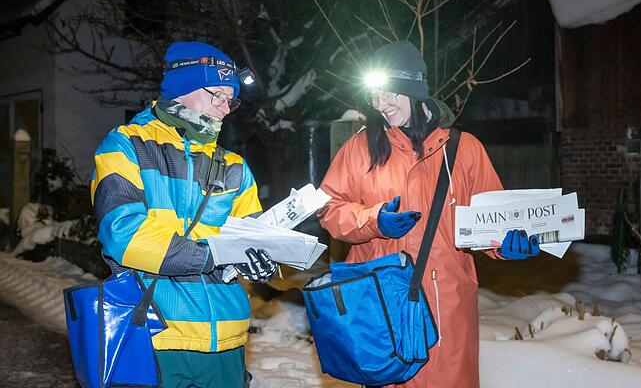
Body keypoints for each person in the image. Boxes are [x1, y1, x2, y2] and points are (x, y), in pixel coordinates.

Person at [317, 40, 540, 388]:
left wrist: (506, 244)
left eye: (389, 94)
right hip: (380, 303)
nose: (381, 105)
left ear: (414, 88)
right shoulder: (361, 147)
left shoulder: (464, 149)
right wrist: (374, 220)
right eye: (375, 96)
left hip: (446, 305)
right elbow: (330, 210)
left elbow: (492, 218)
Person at [91, 41, 276, 387]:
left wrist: (265, 260)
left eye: (230, 99)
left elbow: (252, 236)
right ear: (182, 89)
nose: (224, 108)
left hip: (228, 338)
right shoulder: (127, 145)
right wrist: (211, 255)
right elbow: (123, 234)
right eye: (216, 95)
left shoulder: (234, 166)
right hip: (157, 334)